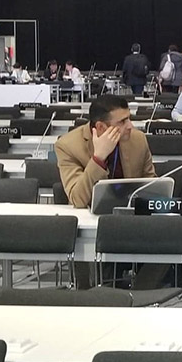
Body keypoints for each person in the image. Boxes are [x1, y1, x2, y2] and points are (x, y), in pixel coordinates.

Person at [55, 95, 161, 289]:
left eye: (129, 118)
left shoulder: (137, 139)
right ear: (101, 128)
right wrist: (99, 157)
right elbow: (78, 199)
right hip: (94, 227)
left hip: (133, 223)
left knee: (170, 234)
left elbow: (151, 186)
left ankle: (142, 292)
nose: (130, 126)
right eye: (122, 122)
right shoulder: (68, 146)